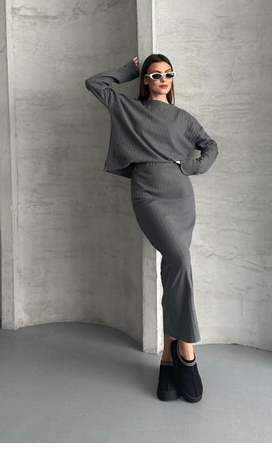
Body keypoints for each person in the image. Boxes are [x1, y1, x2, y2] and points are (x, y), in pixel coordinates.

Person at [85, 54, 219, 403]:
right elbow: (95, 84)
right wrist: (128, 70)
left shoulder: (183, 118)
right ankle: (186, 349)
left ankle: (167, 361)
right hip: (148, 194)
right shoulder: (129, 109)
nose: (163, 79)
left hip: (181, 197)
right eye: (155, 74)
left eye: (168, 73)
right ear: (145, 79)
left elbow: (210, 146)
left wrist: (192, 166)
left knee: (173, 268)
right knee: (180, 261)